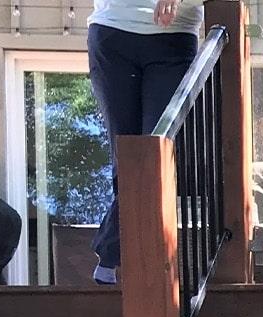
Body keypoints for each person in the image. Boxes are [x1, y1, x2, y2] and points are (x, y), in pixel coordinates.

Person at [86, 0, 201, 285]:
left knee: (155, 157)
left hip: (173, 38)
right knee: (125, 159)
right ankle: (131, 263)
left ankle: (112, 252)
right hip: (112, 31)